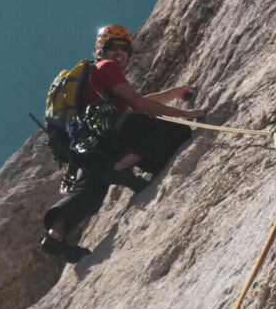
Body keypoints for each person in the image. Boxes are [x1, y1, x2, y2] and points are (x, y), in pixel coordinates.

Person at [41, 24, 206, 262]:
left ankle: (55, 235)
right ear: (102, 51)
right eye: (113, 48)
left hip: (89, 145)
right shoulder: (106, 68)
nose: (119, 53)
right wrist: (185, 115)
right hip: (113, 134)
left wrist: (175, 92)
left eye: (124, 49)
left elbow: (133, 103)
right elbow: (137, 105)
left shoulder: (91, 77)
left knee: (88, 191)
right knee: (176, 132)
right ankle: (124, 166)